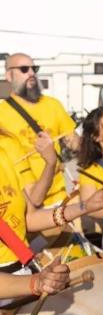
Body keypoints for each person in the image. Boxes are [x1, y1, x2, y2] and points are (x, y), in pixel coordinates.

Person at [0, 128, 103, 298]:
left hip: (23, 269)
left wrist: (87, 206)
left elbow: (29, 217)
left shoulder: (3, 154)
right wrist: (36, 283)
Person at [0, 53, 80, 207]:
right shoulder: (2, 114)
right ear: (9, 76)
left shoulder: (53, 104)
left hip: (58, 196)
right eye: (24, 69)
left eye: (34, 68)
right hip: (24, 201)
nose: (31, 74)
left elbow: (73, 141)